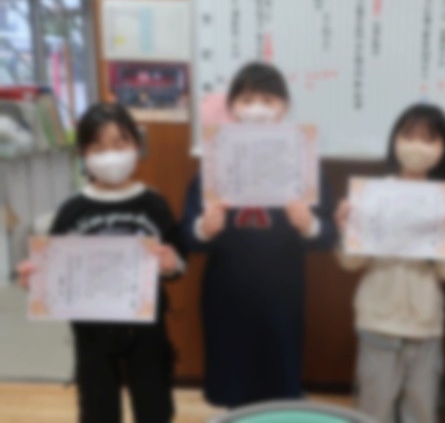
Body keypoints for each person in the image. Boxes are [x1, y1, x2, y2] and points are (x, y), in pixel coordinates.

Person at [182, 61, 338, 407]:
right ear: (232, 107)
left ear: (285, 107)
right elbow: (187, 237)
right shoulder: (214, 160)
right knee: (234, 388)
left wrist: (309, 225)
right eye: (247, 100)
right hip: (228, 296)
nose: (257, 108)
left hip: (282, 296)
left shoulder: (304, 161)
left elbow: (330, 235)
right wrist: (203, 228)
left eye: (268, 100)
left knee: (279, 387)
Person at [18, 103, 185, 423]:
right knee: (98, 408)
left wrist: (171, 263)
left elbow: (178, 259)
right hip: (91, 331)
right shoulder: (73, 210)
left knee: (154, 405)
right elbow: (53, 270)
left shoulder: (154, 205)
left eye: (120, 145)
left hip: (147, 329)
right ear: (83, 153)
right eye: (98, 147)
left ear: (136, 145)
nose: (110, 156)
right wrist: (35, 280)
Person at [335, 103, 445, 423]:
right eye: (409, 135)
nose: (417, 145)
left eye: (429, 138)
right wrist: (346, 229)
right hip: (377, 320)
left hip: (425, 324)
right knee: (374, 411)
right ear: (395, 140)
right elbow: (351, 263)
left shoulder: (444, 201)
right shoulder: (373, 195)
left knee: (421, 411)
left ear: (444, 148)